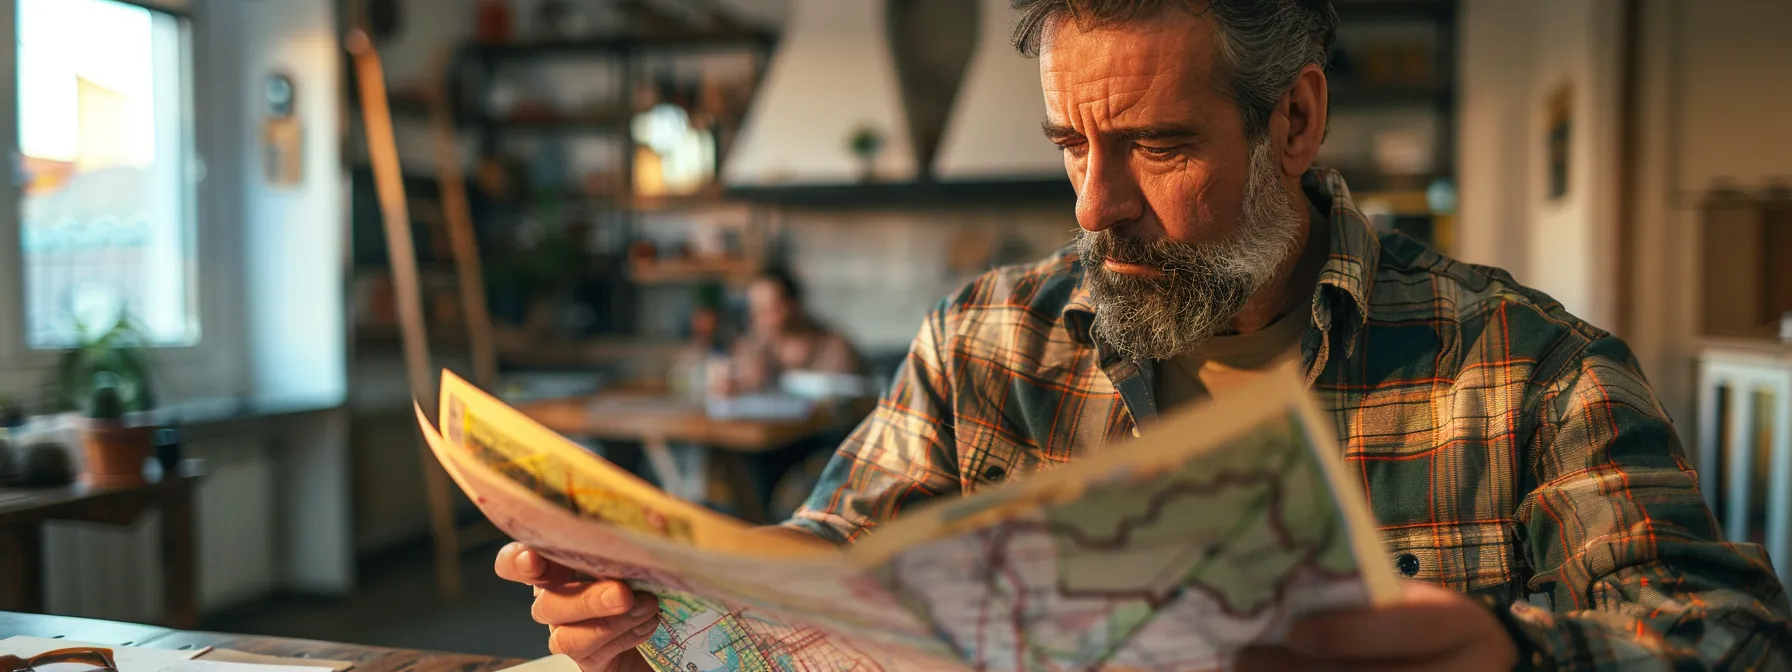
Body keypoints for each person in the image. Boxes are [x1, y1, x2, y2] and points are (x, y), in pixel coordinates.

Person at [497, 1, 1792, 670]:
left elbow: (1728, 633)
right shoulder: (987, 341)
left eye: (1158, 146)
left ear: (1294, 121)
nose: (1095, 204)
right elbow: (837, 553)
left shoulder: (1525, 367)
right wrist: (671, 595)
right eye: (1073, 144)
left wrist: (1511, 654)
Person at [709, 269, 863, 397]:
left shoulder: (835, 348)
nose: (760, 319)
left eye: (769, 309)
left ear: (794, 305)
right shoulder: (757, 344)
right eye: (756, 311)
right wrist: (734, 382)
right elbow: (733, 375)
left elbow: (848, 403)